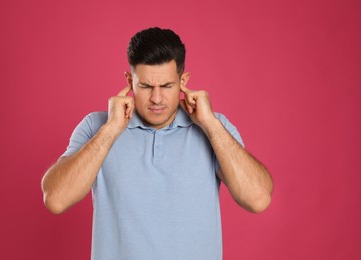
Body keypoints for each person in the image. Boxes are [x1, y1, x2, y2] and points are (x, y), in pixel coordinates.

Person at [41, 27, 273, 260]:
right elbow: (56, 200)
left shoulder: (214, 127)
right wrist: (111, 130)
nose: (156, 98)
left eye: (167, 86)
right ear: (130, 81)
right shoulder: (97, 126)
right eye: (145, 86)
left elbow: (258, 199)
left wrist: (210, 125)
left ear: (183, 81)